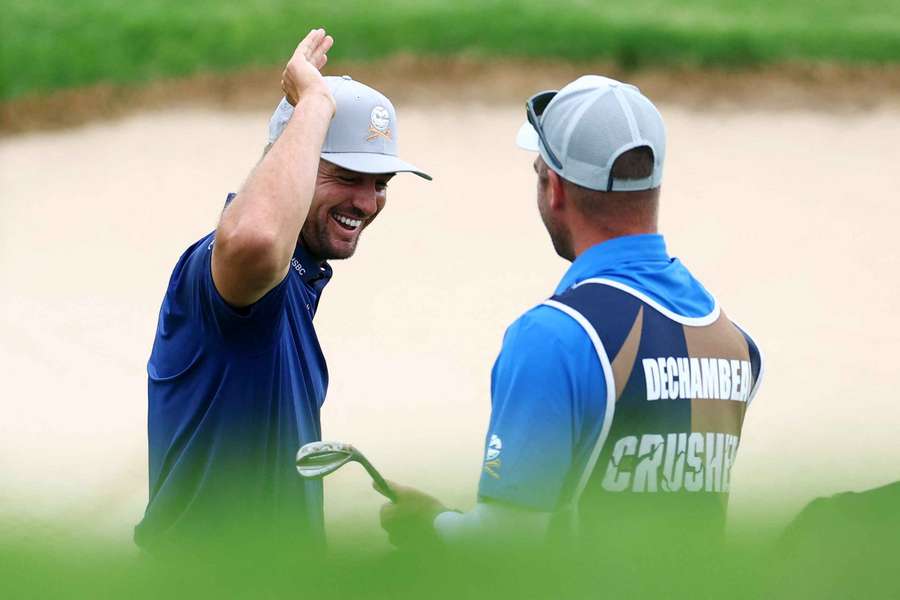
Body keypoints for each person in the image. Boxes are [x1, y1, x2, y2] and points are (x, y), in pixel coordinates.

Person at [379, 75, 763, 549]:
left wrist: (431, 525)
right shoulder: (735, 343)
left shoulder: (552, 336)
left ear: (555, 188)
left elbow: (507, 544)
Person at [134, 29, 430, 554]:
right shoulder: (225, 270)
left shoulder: (296, 280)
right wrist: (313, 102)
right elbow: (255, 237)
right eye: (346, 175)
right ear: (287, 158)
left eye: (381, 182)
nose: (367, 202)